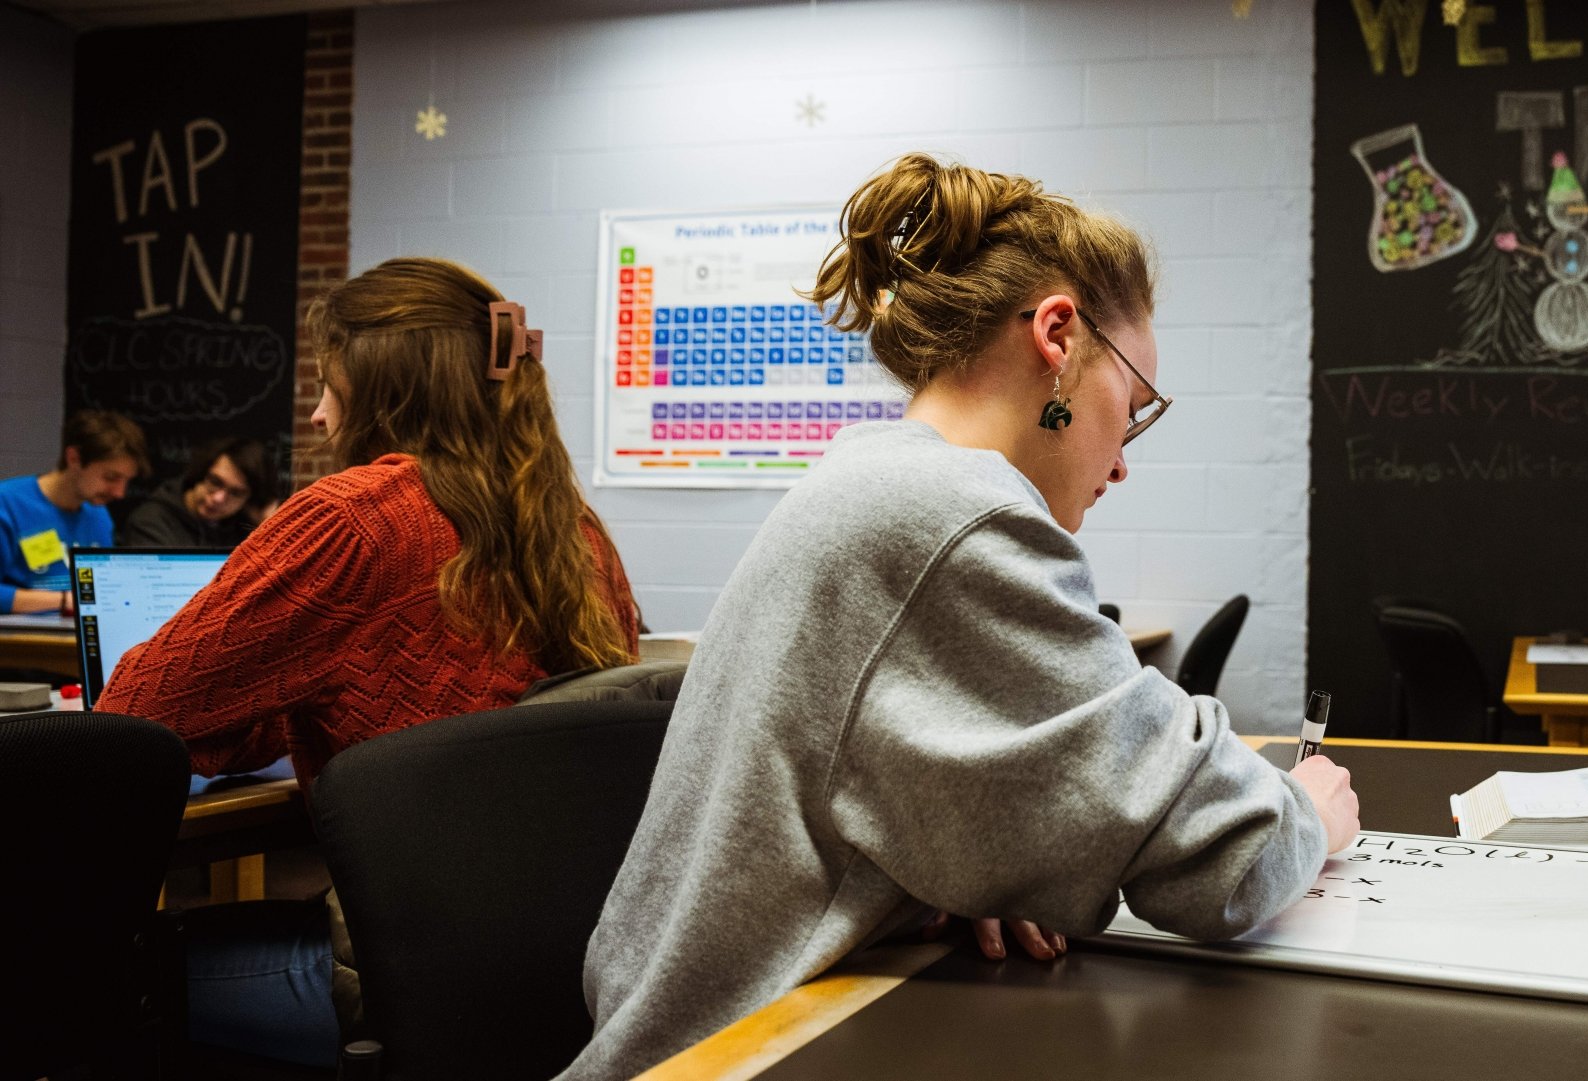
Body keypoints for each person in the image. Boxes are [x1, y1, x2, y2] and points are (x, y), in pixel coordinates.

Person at [562, 155, 1361, 1080]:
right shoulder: (957, 517)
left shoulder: (875, 475)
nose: (1123, 458)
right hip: (728, 1057)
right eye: (1133, 405)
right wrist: (1306, 810)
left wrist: (980, 857)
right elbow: (1231, 859)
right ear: (1058, 333)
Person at [97, 257, 643, 1066]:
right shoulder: (573, 528)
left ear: (386, 391)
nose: (317, 416)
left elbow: (132, 714)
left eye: (330, 384)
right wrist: (296, 701)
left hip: (411, 967)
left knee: (99, 974)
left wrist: (249, 718)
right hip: (566, 965)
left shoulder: (355, 520)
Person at [0, 410, 146, 614]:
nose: (120, 493)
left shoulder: (99, 516)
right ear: (74, 458)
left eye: (126, 481)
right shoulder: (8, 504)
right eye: (111, 477)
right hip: (23, 640)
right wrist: (65, 601)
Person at [115, 436, 279, 548]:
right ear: (201, 474)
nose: (218, 498)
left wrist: (267, 529)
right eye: (215, 482)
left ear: (250, 500)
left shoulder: (244, 529)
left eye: (235, 493)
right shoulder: (151, 523)